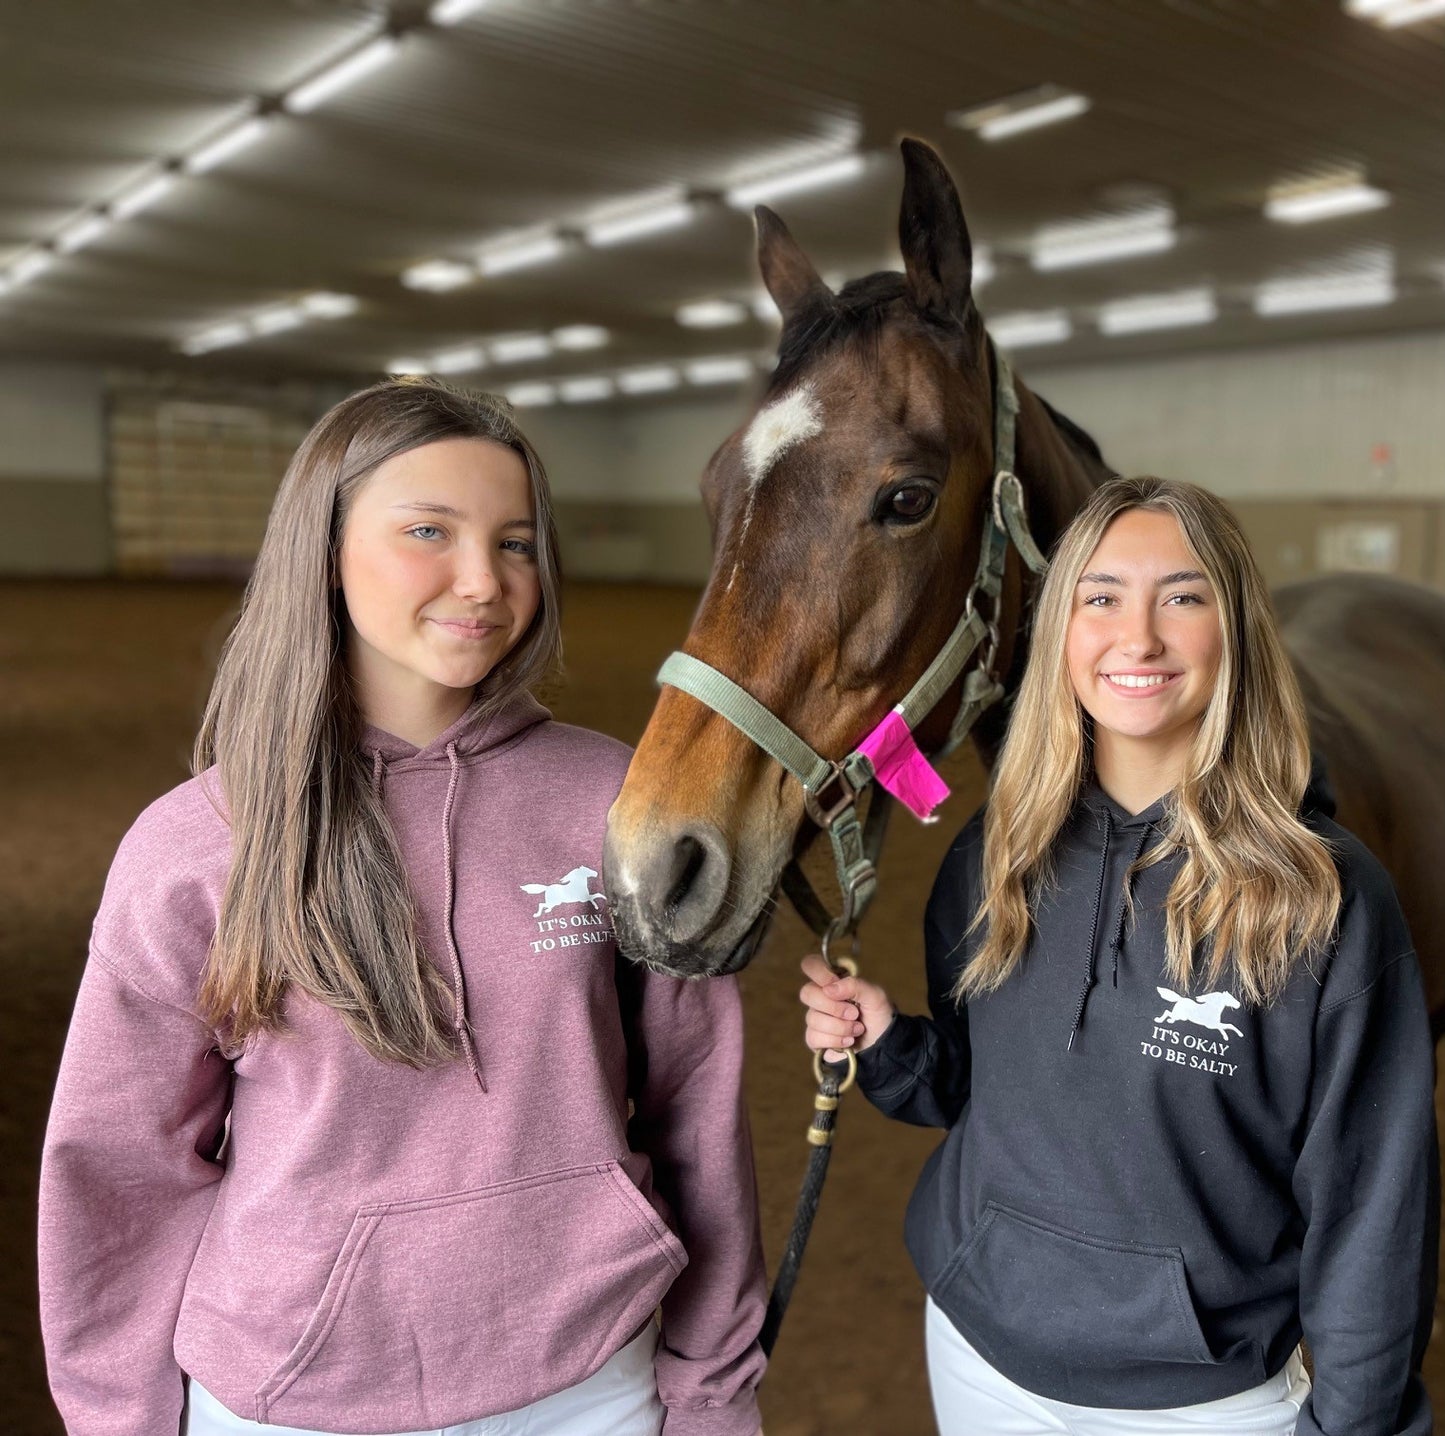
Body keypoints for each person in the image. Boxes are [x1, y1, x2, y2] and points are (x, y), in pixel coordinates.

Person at [39, 378, 766, 1436]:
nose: (483, 578)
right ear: (322, 547)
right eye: (430, 529)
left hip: (594, 1378)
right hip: (295, 1394)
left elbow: (699, 1112)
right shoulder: (197, 844)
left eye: (515, 541)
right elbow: (118, 1168)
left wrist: (712, 1388)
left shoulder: (613, 801)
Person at [800, 476, 1435, 1436]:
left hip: (1201, 1401)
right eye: (1100, 598)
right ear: (1062, 630)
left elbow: (1374, 1210)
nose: (1136, 638)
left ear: (1236, 633)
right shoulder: (992, 852)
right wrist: (893, 1048)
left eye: (1181, 597)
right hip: (979, 1355)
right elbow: (987, 1092)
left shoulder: (1327, 899)